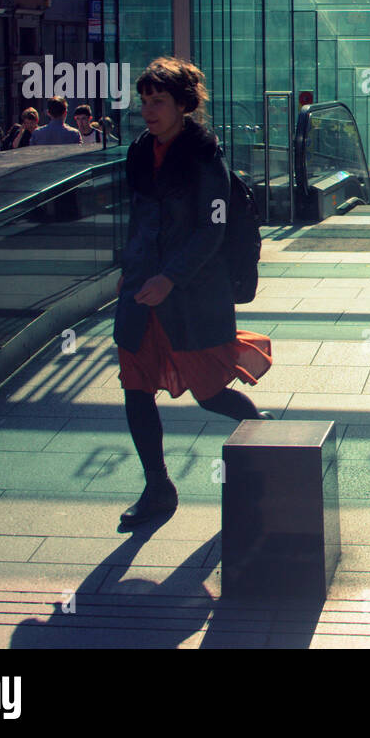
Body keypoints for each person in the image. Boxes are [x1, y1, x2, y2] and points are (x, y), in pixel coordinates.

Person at [113, 56, 274, 528]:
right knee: (136, 388)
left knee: (209, 392)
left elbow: (212, 230)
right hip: (142, 295)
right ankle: (158, 487)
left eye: (158, 101)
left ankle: (268, 443)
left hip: (192, 297)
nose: (148, 110)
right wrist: (132, 270)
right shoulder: (141, 151)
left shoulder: (205, 158)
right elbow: (141, 221)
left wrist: (170, 278)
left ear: (183, 104)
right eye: (144, 101)